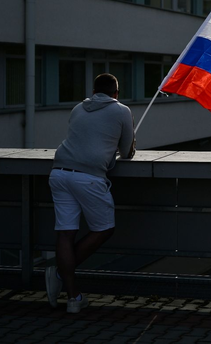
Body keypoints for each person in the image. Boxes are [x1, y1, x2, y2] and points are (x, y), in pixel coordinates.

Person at [45, 73, 136, 313]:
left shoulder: (78, 108)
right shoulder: (122, 111)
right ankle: (59, 275)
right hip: (88, 177)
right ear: (116, 93)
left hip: (59, 171)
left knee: (66, 234)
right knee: (104, 228)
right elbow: (127, 152)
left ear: (94, 91)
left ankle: (74, 297)